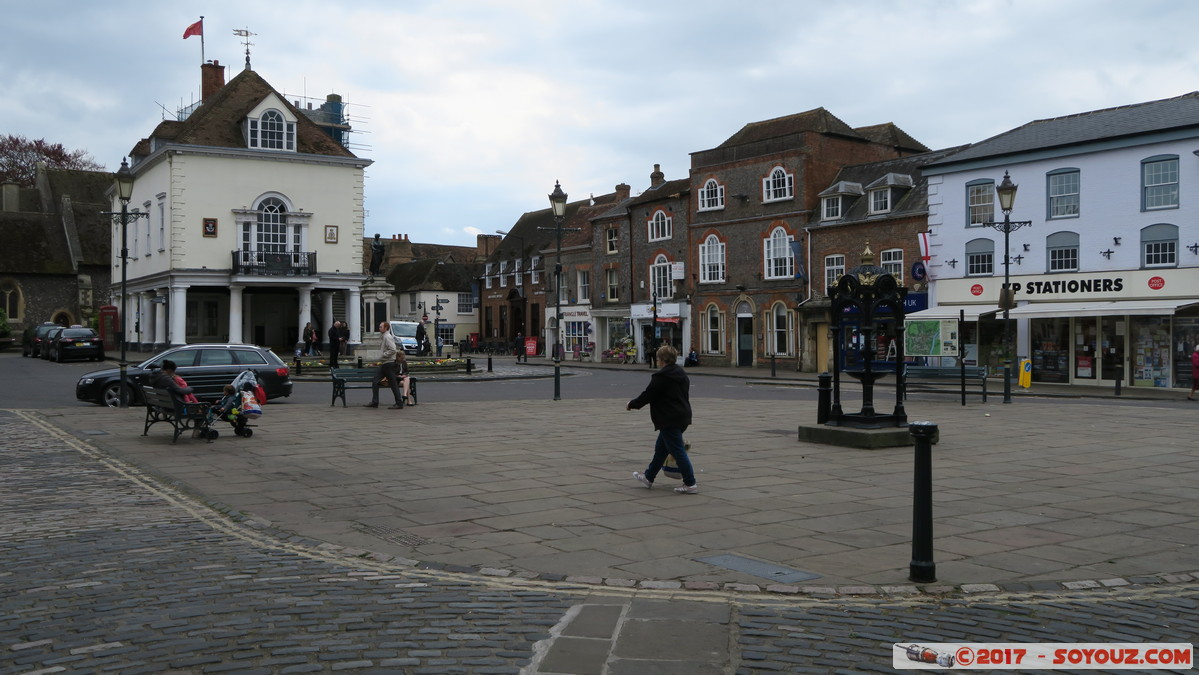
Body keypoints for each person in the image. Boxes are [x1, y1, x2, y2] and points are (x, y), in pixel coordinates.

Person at [628, 344, 698, 494]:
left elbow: (648, 395)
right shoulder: (681, 374)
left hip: (669, 418)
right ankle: (648, 477)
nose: (658, 360)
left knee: (678, 451)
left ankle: (690, 483)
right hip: (682, 415)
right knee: (661, 449)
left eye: (658, 358)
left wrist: (632, 404)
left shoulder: (662, 377)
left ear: (662, 359)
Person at [365, 321, 404, 409]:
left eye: (381, 327)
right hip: (385, 363)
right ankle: (375, 402)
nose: (379, 328)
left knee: (393, 383)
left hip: (389, 363)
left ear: (386, 328)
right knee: (375, 381)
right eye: (379, 327)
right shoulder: (384, 336)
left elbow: (393, 350)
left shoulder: (387, 337)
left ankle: (399, 403)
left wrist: (383, 355)